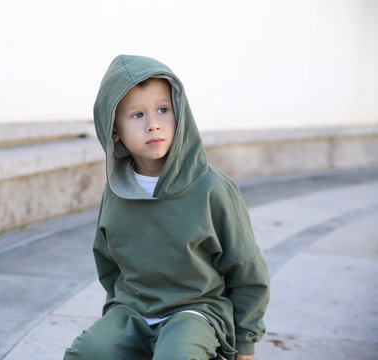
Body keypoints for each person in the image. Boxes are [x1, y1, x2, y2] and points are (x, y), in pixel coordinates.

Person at [64, 55, 270, 360]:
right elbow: (108, 261)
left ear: (180, 114)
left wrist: (245, 343)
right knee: (87, 353)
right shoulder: (116, 190)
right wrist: (116, 319)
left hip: (195, 310)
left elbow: (247, 269)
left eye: (163, 110)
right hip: (134, 309)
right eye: (137, 115)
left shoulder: (212, 188)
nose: (153, 124)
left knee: (177, 355)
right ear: (114, 130)